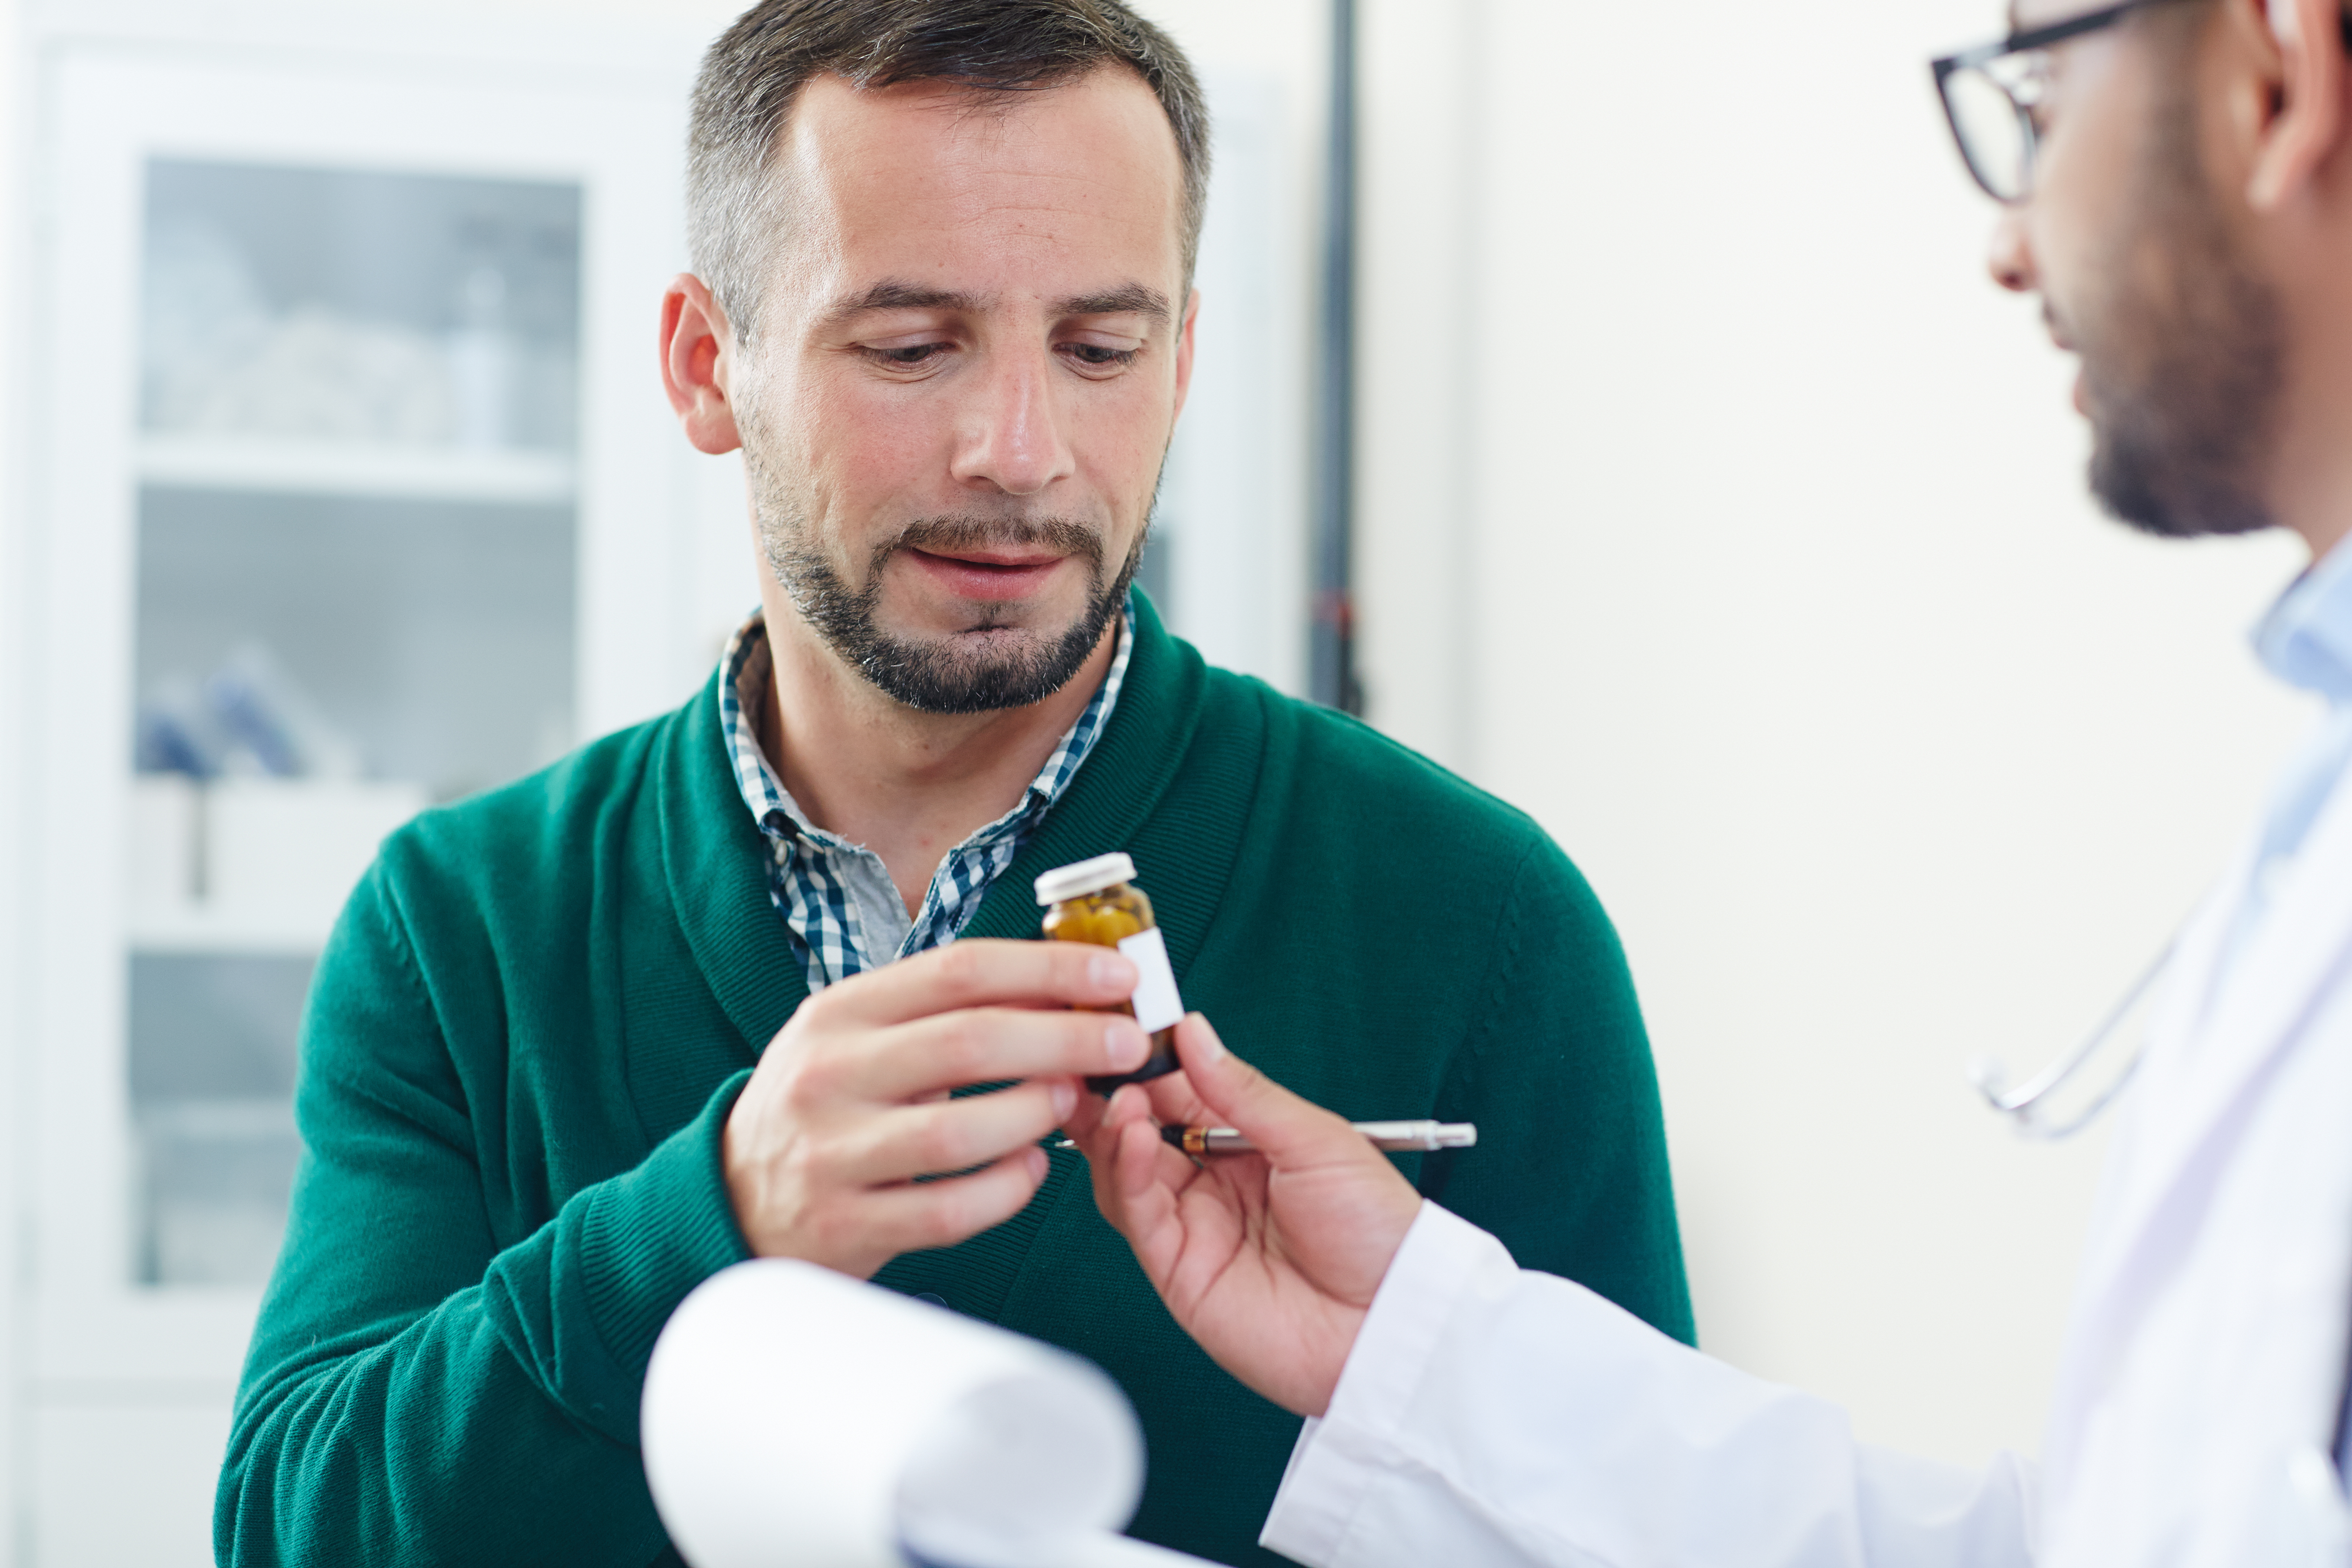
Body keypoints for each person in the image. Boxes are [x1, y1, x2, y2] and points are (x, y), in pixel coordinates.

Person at [211, 2, 1695, 1564]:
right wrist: (708, 1222)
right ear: (709, 367)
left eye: (1100, 348)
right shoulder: (464, 930)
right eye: (913, 348)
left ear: (1183, 361)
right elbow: (295, 1527)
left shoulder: (1473, 919)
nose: (1020, 448)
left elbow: (1648, 1528)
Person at [1071, 0, 2352, 1563]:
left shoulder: (1476, 910)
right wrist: (1418, 1357)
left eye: (2038, 98)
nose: (2009, 246)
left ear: (2276, 75)